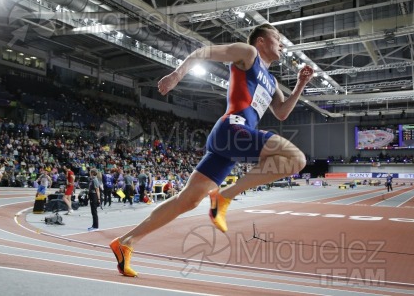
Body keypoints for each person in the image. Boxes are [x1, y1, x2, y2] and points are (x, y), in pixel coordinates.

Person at [110, 23, 313, 277]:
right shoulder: (248, 53)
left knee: (187, 200)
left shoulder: (272, 82)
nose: (282, 43)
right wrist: (176, 75)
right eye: (277, 37)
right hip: (233, 129)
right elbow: (202, 52)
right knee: (296, 158)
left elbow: (281, 113)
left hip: (228, 145)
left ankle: (126, 242)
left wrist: (300, 86)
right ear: (261, 41)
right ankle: (225, 195)